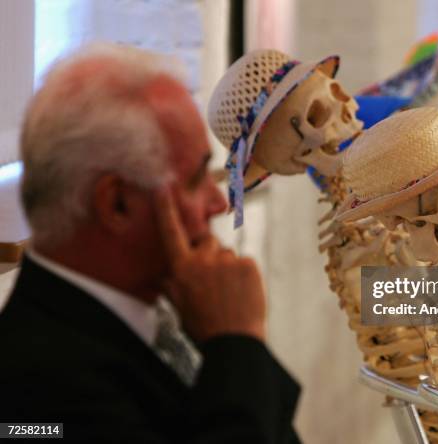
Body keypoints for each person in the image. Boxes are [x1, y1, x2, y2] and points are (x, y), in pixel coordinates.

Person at [0, 43, 300, 443]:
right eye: (195, 180)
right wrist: (237, 341)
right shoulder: (37, 393)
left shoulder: (169, 315)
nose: (218, 203)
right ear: (118, 203)